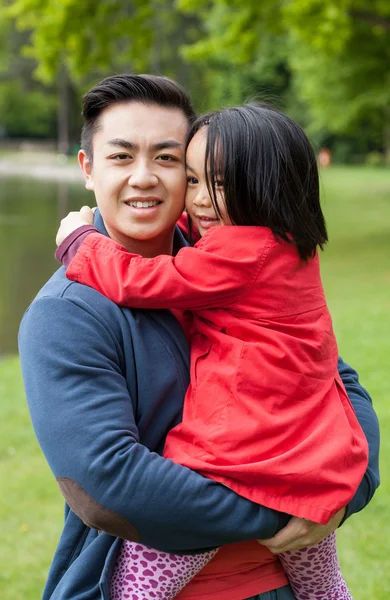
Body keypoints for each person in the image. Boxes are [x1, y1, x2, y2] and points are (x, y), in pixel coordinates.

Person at [18, 75, 380, 600]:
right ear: (87, 169)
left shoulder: (232, 256)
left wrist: (345, 492)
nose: (145, 178)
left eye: (168, 160)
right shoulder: (68, 314)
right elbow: (109, 485)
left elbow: (333, 379)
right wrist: (295, 498)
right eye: (121, 157)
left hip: (277, 587)